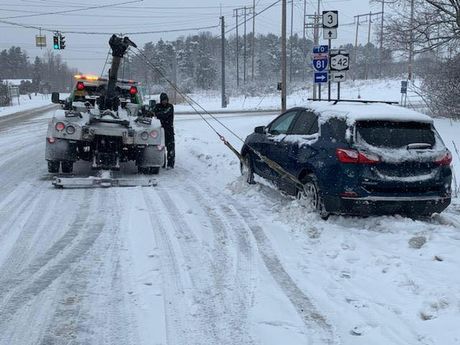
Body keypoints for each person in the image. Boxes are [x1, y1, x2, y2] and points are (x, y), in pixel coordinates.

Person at [154, 92, 175, 168]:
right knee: (160, 148)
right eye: (163, 100)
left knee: (170, 149)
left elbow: (165, 114)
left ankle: (170, 164)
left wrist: (158, 114)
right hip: (161, 130)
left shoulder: (170, 106)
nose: (164, 101)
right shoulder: (157, 106)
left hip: (169, 130)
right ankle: (162, 163)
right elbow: (153, 113)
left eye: (165, 100)